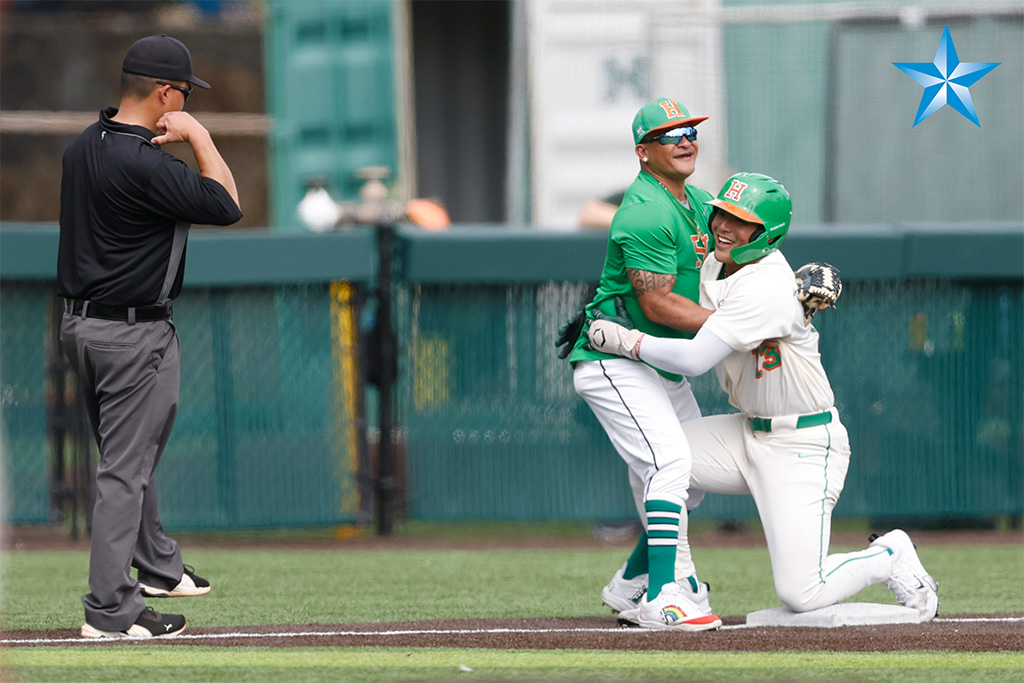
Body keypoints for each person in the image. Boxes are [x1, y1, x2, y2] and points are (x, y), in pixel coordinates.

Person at [585, 173, 940, 622]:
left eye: (742, 220)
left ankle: (890, 554)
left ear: (766, 233)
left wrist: (626, 342)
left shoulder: (769, 285)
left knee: (802, 592)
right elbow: (673, 285)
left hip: (802, 444)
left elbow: (694, 360)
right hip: (746, 431)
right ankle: (662, 578)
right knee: (654, 457)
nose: (725, 227)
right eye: (722, 214)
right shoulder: (718, 264)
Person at [58, 34, 243, 639]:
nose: (187, 104)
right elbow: (226, 203)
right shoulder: (146, 162)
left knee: (128, 457)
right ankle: (110, 610)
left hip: (80, 326)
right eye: (185, 94)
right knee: (124, 470)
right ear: (164, 92)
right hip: (131, 334)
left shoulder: (85, 145)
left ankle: (159, 567)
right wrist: (200, 138)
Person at [560, 97, 723, 631]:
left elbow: (743, 242)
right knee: (672, 464)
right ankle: (661, 595)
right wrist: (739, 329)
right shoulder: (646, 211)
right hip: (614, 358)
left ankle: (631, 583)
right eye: (670, 135)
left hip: (654, 360)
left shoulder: (694, 201)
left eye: (690, 132)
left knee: (692, 477)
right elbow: (655, 304)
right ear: (643, 152)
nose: (684, 141)